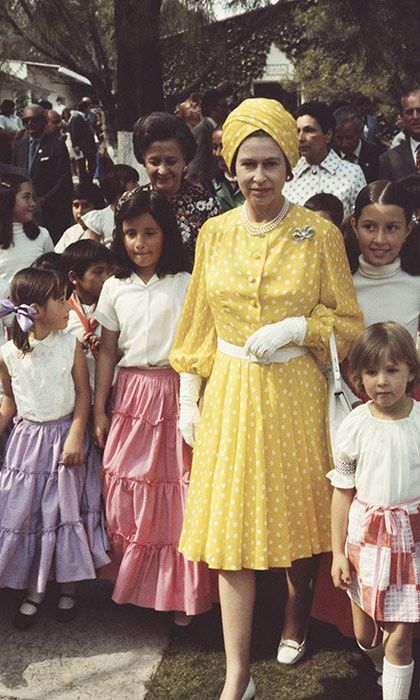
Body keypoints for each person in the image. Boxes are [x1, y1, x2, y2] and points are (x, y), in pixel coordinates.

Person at [169, 97, 363, 700]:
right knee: (231, 534)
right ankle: (237, 674)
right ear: (231, 166)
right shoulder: (213, 234)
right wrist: (187, 396)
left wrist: (301, 330)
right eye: (248, 163)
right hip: (229, 393)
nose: (259, 176)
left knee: (299, 522)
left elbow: (351, 323)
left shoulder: (320, 233)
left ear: (289, 164)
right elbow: (198, 320)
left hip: (296, 396)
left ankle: (295, 622)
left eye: (271, 163)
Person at [310, 180, 420, 673]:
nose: (380, 238)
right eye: (370, 226)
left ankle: (402, 640)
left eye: (392, 227)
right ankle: (364, 629)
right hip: (349, 414)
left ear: (408, 229)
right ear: (352, 227)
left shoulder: (417, 288)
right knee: (352, 509)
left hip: (406, 410)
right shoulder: (340, 287)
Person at [93, 188, 213, 623]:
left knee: (177, 492)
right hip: (130, 396)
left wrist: (194, 402)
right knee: (127, 490)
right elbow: (107, 351)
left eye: (149, 232)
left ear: (167, 234)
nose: (140, 243)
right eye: (130, 234)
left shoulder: (185, 282)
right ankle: (132, 584)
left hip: (176, 390)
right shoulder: (114, 286)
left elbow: (198, 345)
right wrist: (101, 409)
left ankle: (179, 594)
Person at [0, 267, 110, 629]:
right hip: (27, 447)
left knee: (64, 515)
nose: (68, 305)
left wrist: (77, 434)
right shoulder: (8, 354)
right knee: (30, 516)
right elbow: (9, 401)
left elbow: (83, 394)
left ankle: (69, 586)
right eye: (61, 300)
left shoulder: (70, 345)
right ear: (37, 309)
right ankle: (35, 588)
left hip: (65, 442)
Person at [329, 322, 420, 700]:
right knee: (367, 634)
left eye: (392, 370)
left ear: (411, 372)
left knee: (400, 637)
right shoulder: (355, 424)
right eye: (371, 372)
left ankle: (395, 674)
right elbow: (342, 491)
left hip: (409, 537)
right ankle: (378, 660)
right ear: (358, 377)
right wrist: (337, 553)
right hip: (364, 538)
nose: (381, 381)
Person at [133, 111, 221, 261]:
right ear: (143, 161)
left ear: (185, 160)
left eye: (171, 161)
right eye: (154, 162)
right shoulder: (131, 203)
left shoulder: (207, 206)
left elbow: (215, 261)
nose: (162, 170)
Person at [283, 101, 366, 217]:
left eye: (309, 130)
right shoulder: (288, 174)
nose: (300, 138)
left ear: (328, 135)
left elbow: (361, 219)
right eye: (297, 131)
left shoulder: (352, 173)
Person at [11, 104, 73, 243]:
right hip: (25, 209)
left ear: (44, 121)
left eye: (34, 119)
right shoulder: (20, 146)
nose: (30, 123)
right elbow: (14, 177)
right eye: (25, 121)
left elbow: (64, 178)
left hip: (50, 208)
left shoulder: (56, 145)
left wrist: (45, 198)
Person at [61, 240, 111, 394]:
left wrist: (109, 348)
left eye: (109, 271)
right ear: (74, 277)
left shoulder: (115, 308)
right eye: (98, 272)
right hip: (75, 396)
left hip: (113, 392)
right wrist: (73, 350)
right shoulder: (62, 313)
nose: (106, 277)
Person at [0, 174, 54, 282]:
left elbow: (53, 275)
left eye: (33, 197)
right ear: (8, 199)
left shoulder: (42, 235)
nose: (33, 203)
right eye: (26, 197)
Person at [81, 164, 139, 248]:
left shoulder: (139, 214)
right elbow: (92, 250)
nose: (138, 186)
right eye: (134, 182)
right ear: (117, 185)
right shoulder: (100, 218)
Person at [333, 106, 383, 183]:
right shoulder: (329, 156)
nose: (344, 144)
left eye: (349, 138)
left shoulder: (377, 156)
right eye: (339, 138)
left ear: (360, 132)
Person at [379, 89, 420, 181]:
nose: (415, 117)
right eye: (409, 112)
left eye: (419, 110)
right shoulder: (389, 160)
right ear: (402, 117)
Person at [55, 183, 106, 253]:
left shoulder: (106, 230)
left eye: (86, 206)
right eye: (76, 206)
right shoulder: (70, 233)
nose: (80, 211)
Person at [211, 127, 244, 212]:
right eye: (215, 147)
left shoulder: (253, 181)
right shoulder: (210, 183)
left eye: (224, 147)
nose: (218, 153)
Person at [69, 102, 97, 183]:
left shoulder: (87, 117)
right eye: (89, 107)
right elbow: (73, 131)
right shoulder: (76, 118)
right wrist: (75, 145)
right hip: (80, 147)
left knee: (93, 164)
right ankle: (83, 183)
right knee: (81, 166)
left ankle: (89, 180)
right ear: (85, 108)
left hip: (89, 146)